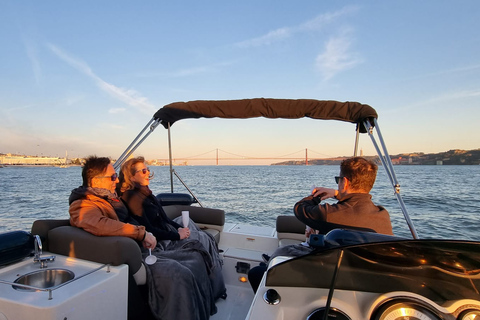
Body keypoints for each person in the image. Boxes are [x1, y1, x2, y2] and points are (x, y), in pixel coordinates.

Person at [69, 156, 214, 320]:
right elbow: (99, 223)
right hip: (131, 254)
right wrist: (142, 233)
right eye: (113, 177)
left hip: (140, 247)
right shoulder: (82, 205)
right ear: (95, 181)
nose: (116, 181)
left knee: (195, 254)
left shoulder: (109, 197)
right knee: (181, 272)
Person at [249, 156, 393, 293]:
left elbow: (299, 208)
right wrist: (337, 193)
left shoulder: (330, 214)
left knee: (256, 273)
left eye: (338, 180)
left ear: (345, 182)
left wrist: (315, 196)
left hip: (326, 281)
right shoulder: (382, 214)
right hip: (362, 283)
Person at [119, 156, 226, 302]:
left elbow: (165, 219)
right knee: (201, 238)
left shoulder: (146, 193)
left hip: (167, 231)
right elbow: (149, 229)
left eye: (147, 169)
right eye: (143, 171)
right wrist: (177, 236)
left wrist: (180, 229)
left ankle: (213, 280)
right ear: (131, 176)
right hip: (160, 240)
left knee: (194, 228)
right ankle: (214, 289)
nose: (148, 173)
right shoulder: (132, 198)